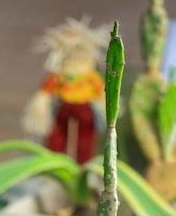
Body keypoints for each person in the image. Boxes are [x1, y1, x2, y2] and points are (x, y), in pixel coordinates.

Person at [22, 17, 110, 164]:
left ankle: (83, 168)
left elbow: (101, 91)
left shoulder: (91, 77)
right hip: (63, 107)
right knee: (56, 136)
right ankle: (54, 164)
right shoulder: (59, 76)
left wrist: (105, 105)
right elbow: (45, 91)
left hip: (85, 108)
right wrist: (40, 106)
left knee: (85, 140)